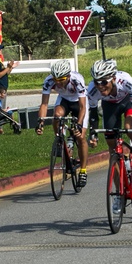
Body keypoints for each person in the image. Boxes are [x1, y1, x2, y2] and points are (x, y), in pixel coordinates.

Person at [86, 59, 132, 182]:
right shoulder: (92, 90)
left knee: (130, 128)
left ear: (113, 79)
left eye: (104, 82)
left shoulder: (126, 81)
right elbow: (93, 114)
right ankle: (119, 195)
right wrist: (93, 134)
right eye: (96, 82)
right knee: (111, 144)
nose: (100, 86)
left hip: (127, 103)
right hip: (109, 106)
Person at [35, 59, 90, 188]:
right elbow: (44, 104)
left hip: (78, 102)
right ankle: (59, 139)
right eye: (56, 79)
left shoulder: (77, 81)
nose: (58, 83)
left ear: (68, 76)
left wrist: (79, 124)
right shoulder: (49, 81)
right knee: (57, 115)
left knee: (81, 137)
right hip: (64, 100)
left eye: (61, 79)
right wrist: (40, 122)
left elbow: (83, 107)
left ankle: (83, 170)